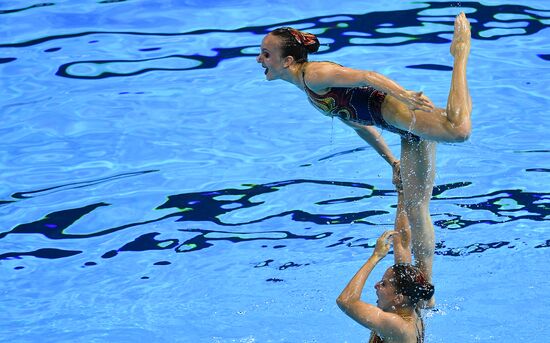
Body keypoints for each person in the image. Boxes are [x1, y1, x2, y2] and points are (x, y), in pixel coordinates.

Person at [256, 12, 472, 290]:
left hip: (400, 110)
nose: (260, 60)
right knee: (417, 207)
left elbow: (367, 76)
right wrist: (392, 160)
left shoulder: (315, 74)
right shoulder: (310, 91)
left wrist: (404, 95)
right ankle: (425, 287)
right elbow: (358, 124)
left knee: (459, 132)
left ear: (287, 61)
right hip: (401, 127)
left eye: (265, 54)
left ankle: (461, 52)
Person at [336, 190, 435, 342]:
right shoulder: (413, 307)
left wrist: (375, 257)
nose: (376, 285)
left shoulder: (396, 325)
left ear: (398, 298)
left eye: (383, 284)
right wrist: (402, 191)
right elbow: (402, 242)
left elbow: (346, 301)